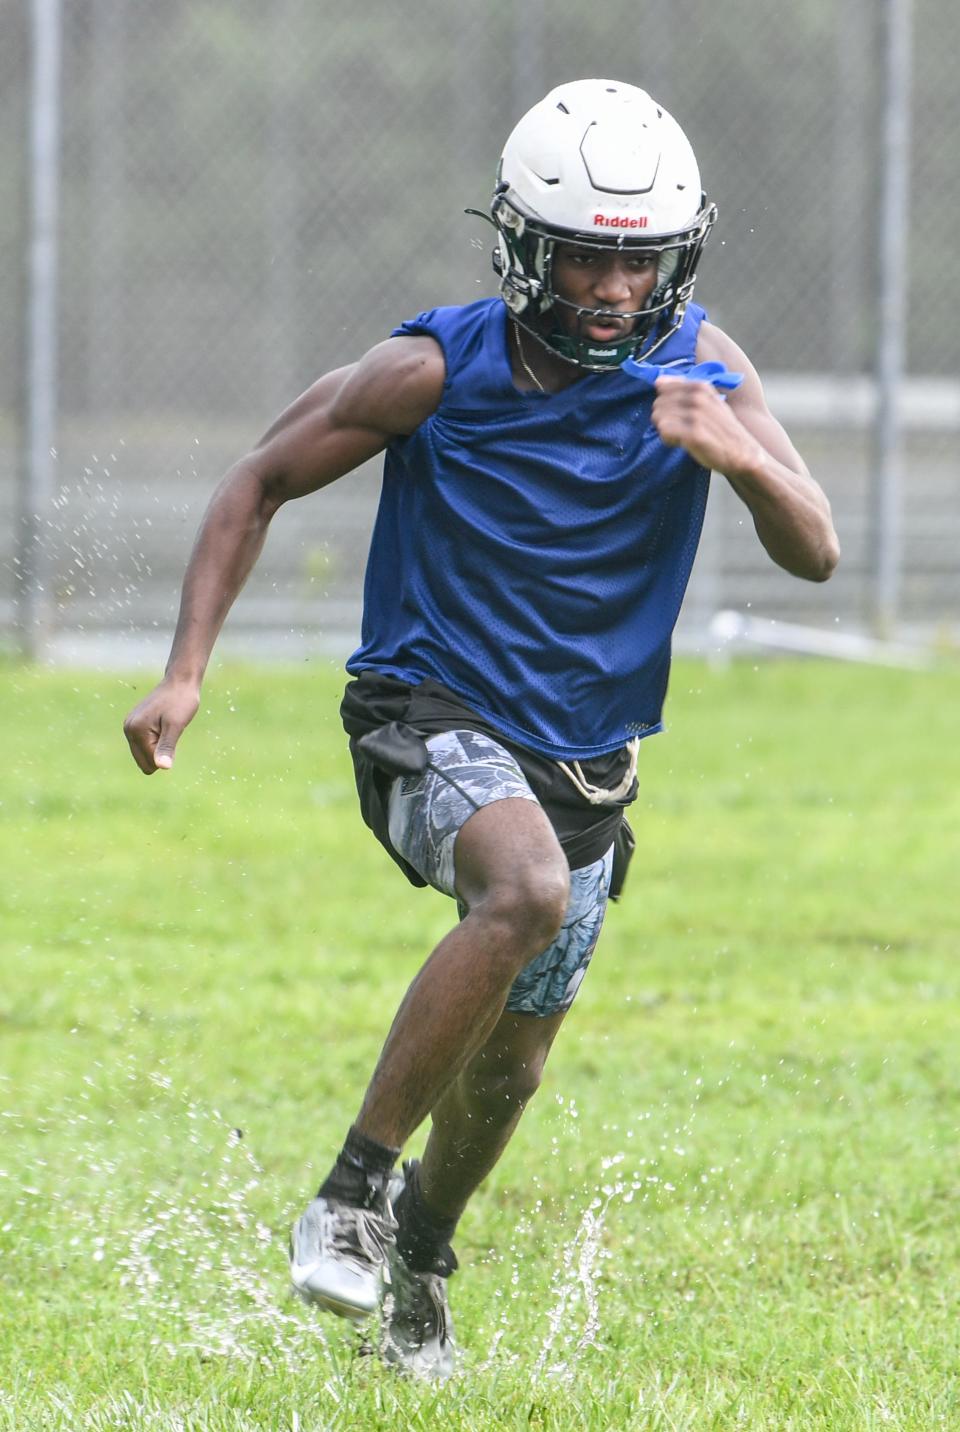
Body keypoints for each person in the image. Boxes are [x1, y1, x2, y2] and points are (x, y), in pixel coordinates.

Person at [123, 78, 839, 1379]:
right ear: (524, 246)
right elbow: (258, 479)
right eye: (587, 258)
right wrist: (183, 674)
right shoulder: (433, 369)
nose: (617, 291)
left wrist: (737, 454)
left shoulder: (708, 370)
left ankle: (420, 1262)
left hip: (589, 760)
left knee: (512, 1070)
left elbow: (818, 549)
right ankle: (346, 1193)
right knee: (524, 892)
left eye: (642, 262)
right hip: (425, 706)